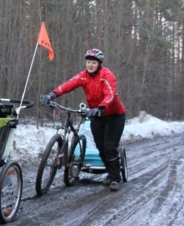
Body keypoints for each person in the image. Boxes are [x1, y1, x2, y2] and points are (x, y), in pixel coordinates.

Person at [40, 48, 127, 191]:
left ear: (99, 63)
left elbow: (110, 94)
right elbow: (69, 84)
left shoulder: (107, 75)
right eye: (88, 62)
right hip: (97, 116)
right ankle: (110, 172)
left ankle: (115, 177)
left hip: (114, 116)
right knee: (100, 147)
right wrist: (52, 94)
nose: (90, 65)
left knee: (109, 147)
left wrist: (100, 107)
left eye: (93, 62)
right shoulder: (83, 76)